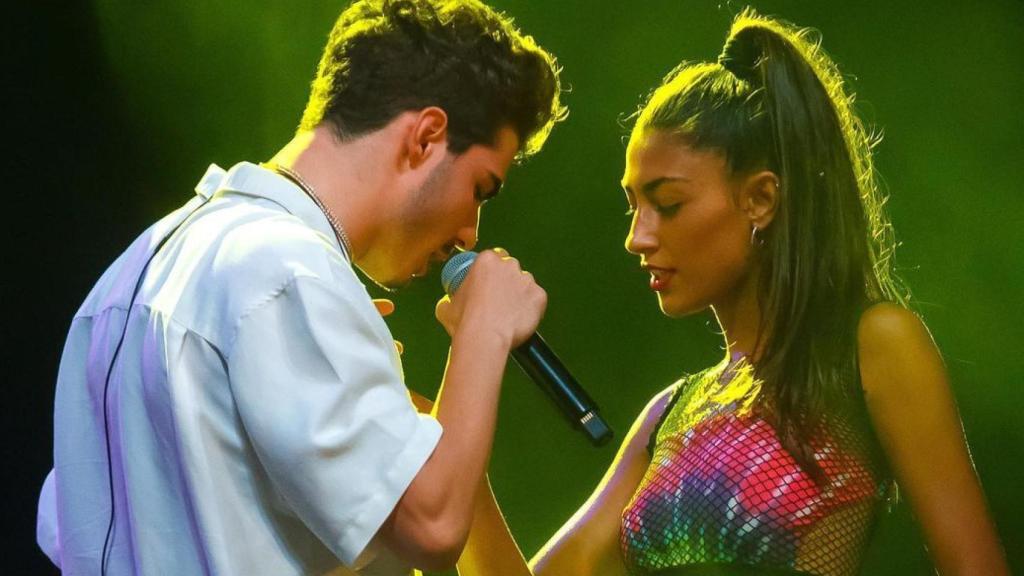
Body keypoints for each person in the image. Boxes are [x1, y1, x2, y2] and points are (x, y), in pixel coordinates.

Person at [456, 9, 1009, 576]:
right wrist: (450, 445)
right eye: (633, 206)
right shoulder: (670, 414)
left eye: (667, 203)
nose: (636, 237)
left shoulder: (870, 346)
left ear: (760, 200)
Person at [35, 0, 566, 574]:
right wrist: (484, 328)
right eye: (481, 190)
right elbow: (433, 527)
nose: (468, 233)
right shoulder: (289, 273)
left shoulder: (137, 267)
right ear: (426, 137)